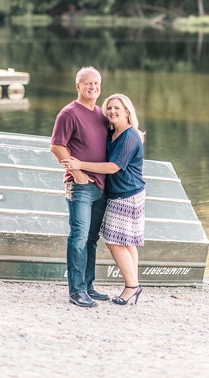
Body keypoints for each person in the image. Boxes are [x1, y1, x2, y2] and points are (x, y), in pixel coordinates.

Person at [63, 93, 146, 305]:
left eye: (117, 108)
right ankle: (134, 284)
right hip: (118, 192)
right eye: (109, 108)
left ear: (127, 112)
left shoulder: (130, 136)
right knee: (126, 242)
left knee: (114, 241)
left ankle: (131, 287)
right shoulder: (113, 133)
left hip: (127, 194)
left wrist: (80, 164)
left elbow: (113, 167)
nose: (112, 112)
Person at [50, 66, 111, 308]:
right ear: (78, 86)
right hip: (81, 186)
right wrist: (77, 173)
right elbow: (56, 146)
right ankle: (76, 291)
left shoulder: (101, 114)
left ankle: (88, 286)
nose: (93, 87)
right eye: (88, 83)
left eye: (97, 83)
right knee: (79, 237)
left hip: (101, 186)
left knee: (91, 240)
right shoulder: (69, 113)